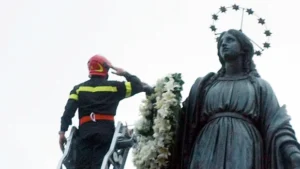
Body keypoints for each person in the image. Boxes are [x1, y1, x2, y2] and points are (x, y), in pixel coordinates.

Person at [170, 29, 300, 169]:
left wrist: (292, 153)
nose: (224, 44)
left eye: (230, 40)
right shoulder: (205, 84)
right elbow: (181, 118)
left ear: (243, 49)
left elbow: (277, 124)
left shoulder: (259, 85)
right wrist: (154, 94)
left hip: (244, 145)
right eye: (221, 43)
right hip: (206, 145)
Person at [58, 54, 149, 169]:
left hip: (85, 133)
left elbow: (68, 111)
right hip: (105, 132)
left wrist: (62, 132)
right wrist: (124, 73)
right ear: (105, 69)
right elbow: (137, 85)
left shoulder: (78, 89)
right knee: (99, 164)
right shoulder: (114, 87)